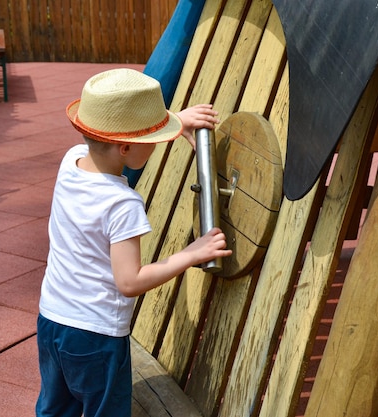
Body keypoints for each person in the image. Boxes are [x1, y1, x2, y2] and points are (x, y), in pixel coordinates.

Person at [36, 68, 232, 417]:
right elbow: (129, 282)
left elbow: (119, 145)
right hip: (96, 337)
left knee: (55, 409)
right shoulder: (123, 204)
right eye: (155, 139)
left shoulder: (71, 162)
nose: (158, 143)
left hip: (52, 321)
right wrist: (190, 253)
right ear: (126, 146)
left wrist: (176, 122)